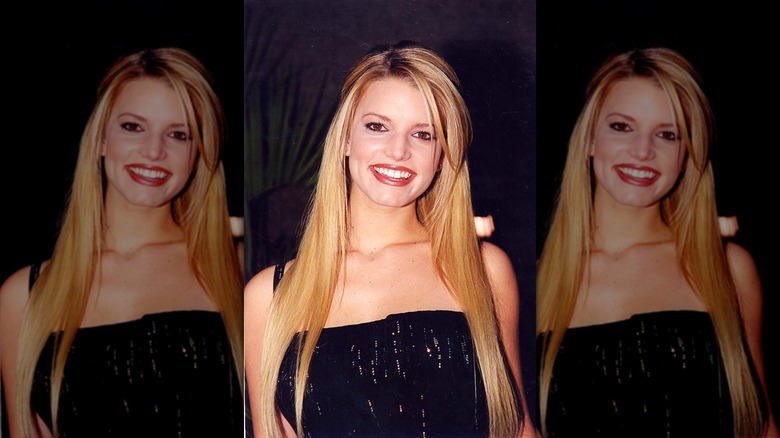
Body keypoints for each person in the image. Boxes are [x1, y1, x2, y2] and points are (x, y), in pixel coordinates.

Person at [245, 41, 532, 437]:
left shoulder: (483, 269)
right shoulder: (269, 297)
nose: (398, 151)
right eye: (377, 126)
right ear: (345, 139)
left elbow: (518, 430)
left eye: (423, 134)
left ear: (443, 156)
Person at [0, 48, 243, 437]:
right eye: (133, 127)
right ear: (100, 139)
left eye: (178, 135)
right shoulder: (24, 296)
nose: (153, 151)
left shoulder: (237, 267)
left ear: (198, 155)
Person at [536, 47, 777, 437]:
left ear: (687, 155)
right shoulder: (537, 285)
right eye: (621, 127)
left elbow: (763, 429)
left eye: (667, 134)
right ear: (590, 139)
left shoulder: (727, 268)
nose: (643, 151)